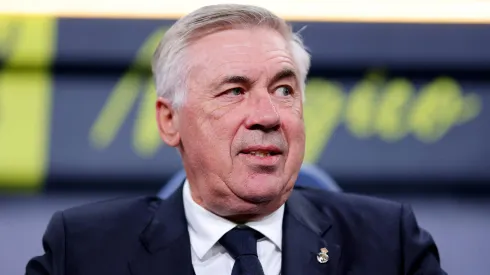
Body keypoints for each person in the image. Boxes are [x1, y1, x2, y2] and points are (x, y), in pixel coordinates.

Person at [26, 4, 447, 275]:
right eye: (234, 91)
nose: (267, 116)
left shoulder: (389, 245)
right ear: (170, 120)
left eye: (284, 90)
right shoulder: (83, 251)